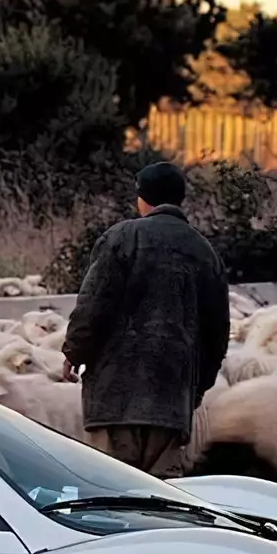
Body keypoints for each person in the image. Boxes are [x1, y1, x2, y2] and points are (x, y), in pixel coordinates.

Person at [62, 161, 229, 477]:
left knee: (110, 487)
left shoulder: (122, 237)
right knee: (158, 496)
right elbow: (216, 333)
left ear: (143, 198)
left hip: (115, 399)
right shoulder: (205, 252)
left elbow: (94, 303)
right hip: (171, 402)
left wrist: (74, 352)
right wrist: (196, 388)